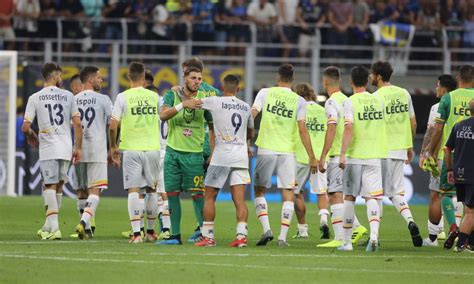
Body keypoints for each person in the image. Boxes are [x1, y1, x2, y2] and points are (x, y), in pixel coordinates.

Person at [251, 64, 317, 247]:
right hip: (288, 152)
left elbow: (252, 114)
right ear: (292, 80)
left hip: (266, 148)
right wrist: (311, 155)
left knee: (259, 190)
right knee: (288, 192)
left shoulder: (265, 93)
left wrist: (246, 137)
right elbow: (303, 130)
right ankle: (282, 238)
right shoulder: (299, 101)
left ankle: (266, 230)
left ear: (277, 78)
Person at [23, 62, 82, 240]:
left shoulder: (35, 97)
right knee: (58, 187)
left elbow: (25, 127)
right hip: (65, 147)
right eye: (60, 76)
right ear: (55, 77)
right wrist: (78, 147)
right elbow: (78, 124)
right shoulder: (69, 96)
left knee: (49, 185)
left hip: (48, 147)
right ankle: (48, 226)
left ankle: (55, 228)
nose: (61, 79)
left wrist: (32, 134)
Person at [156, 67, 215, 246]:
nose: (197, 81)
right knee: (172, 194)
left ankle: (205, 233)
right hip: (172, 153)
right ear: (185, 78)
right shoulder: (171, 95)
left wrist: (212, 153)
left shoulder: (205, 100)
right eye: (193, 78)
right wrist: (183, 105)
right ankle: (175, 236)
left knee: (198, 195)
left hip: (194, 155)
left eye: (199, 78)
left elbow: (213, 127)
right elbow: (163, 115)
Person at [194, 74, 254, 247]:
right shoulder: (245, 107)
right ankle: (241, 237)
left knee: (209, 197)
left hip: (221, 156)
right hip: (240, 156)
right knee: (240, 200)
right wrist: (245, 143)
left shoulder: (215, 101)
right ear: (238, 88)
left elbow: (194, 102)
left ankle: (208, 237)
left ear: (222, 88)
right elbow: (251, 132)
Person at [371, 61, 422, 247]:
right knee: (396, 193)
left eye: (372, 74)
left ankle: (374, 236)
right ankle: (410, 221)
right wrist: (409, 146)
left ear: (378, 76)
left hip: (381, 150)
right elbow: (413, 123)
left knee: (375, 194)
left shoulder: (375, 97)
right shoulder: (404, 93)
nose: (370, 77)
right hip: (400, 149)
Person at [109, 62, 161, 243]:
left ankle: (136, 234)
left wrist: (113, 147)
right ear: (144, 77)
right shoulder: (155, 97)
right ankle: (151, 232)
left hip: (131, 148)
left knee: (134, 189)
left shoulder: (123, 97)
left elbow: (113, 125)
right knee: (152, 189)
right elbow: (164, 118)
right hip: (153, 148)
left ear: (129, 76)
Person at [337, 66, 386, 252]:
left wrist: (342, 153)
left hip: (355, 156)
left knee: (349, 198)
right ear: (367, 81)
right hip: (374, 155)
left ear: (351, 82)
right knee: (372, 197)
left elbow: (349, 128)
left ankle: (347, 243)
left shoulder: (349, 102)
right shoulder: (378, 101)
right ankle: (374, 236)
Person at [317, 67, 367, 248]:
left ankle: (339, 237)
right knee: (345, 195)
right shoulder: (347, 100)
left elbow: (331, 128)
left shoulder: (331, 102)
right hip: (350, 155)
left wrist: (323, 155)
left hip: (337, 155)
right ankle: (357, 227)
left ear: (325, 82)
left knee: (335, 193)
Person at [427, 65, 474, 249]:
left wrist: (430, 151)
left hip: (452, 153)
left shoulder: (448, 98)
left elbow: (438, 129)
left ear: (458, 78)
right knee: (470, 203)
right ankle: (467, 238)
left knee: (445, 193)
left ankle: (454, 227)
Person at [73, 66, 113, 239]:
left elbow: (73, 126)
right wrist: (113, 148)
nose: (101, 80)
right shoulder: (103, 99)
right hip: (97, 148)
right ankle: (83, 223)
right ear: (90, 79)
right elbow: (112, 125)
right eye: (98, 77)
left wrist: (76, 147)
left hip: (78, 150)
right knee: (95, 190)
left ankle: (87, 230)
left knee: (82, 190)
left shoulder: (73, 99)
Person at [419, 74, 458, 246]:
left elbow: (433, 132)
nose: (436, 89)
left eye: (437, 86)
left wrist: (426, 154)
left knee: (437, 194)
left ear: (443, 88)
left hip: (444, 156)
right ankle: (466, 236)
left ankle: (434, 237)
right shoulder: (465, 103)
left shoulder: (437, 107)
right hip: (465, 156)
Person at [292, 83, 330, 240]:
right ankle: (323, 220)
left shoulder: (298, 110)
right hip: (321, 158)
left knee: (296, 192)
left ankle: (302, 230)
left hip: (301, 156)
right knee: (321, 191)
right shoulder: (324, 111)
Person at [145, 69, 171, 240]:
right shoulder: (167, 111)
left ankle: (147, 230)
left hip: (151, 152)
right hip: (166, 153)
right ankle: (167, 229)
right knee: (164, 194)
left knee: (149, 191)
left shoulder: (148, 113)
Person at [445, 99, 474, 252]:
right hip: (472, 173)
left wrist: (449, 169)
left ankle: (470, 242)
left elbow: (447, 148)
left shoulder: (459, 126)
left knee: (468, 209)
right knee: (471, 212)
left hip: (459, 172)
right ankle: (461, 243)